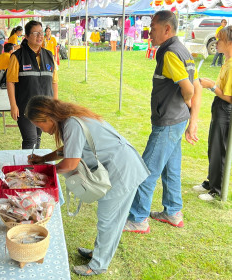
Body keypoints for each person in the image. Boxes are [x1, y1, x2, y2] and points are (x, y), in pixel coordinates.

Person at [25, 96, 149, 276]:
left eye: (39, 125)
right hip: (117, 166)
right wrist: (43, 159)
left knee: (109, 221)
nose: (41, 130)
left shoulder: (71, 124)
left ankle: (98, 264)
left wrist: (42, 172)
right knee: (106, 220)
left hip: (122, 170)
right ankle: (98, 254)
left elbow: (69, 164)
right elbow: (68, 149)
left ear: (48, 118)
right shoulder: (69, 119)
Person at [123, 11, 202, 233]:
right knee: (171, 169)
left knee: (146, 169)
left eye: (153, 28)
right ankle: (173, 211)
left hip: (168, 122)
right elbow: (197, 84)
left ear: (167, 29)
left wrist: (185, 104)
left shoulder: (169, 53)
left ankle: (138, 218)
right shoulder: (183, 49)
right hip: (177, 121)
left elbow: (189, 89)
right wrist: (190, 117)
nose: (149, 33)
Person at [6, 20, 58, 149]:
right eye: (35, 33)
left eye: (41, 32)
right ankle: (27, 168)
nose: (40, 36)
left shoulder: (49, 55)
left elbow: (54, 81)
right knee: (30, 139)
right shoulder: (17, 56)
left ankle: (34, 167)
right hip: (25, 107)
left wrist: (55, 104)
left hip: (45, 106)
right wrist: (13, 105)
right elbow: (10, 82)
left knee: (38, 138)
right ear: (27, 37)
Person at [194, 26, 232, 201]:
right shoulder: (227, 60)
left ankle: (217, 189)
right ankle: (211, 181)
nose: (217, 43)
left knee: (220, 150)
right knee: (213, 147)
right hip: (220, 108)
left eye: (221, 40)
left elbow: (229, 97)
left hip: (226, 109)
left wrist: (212, 86)